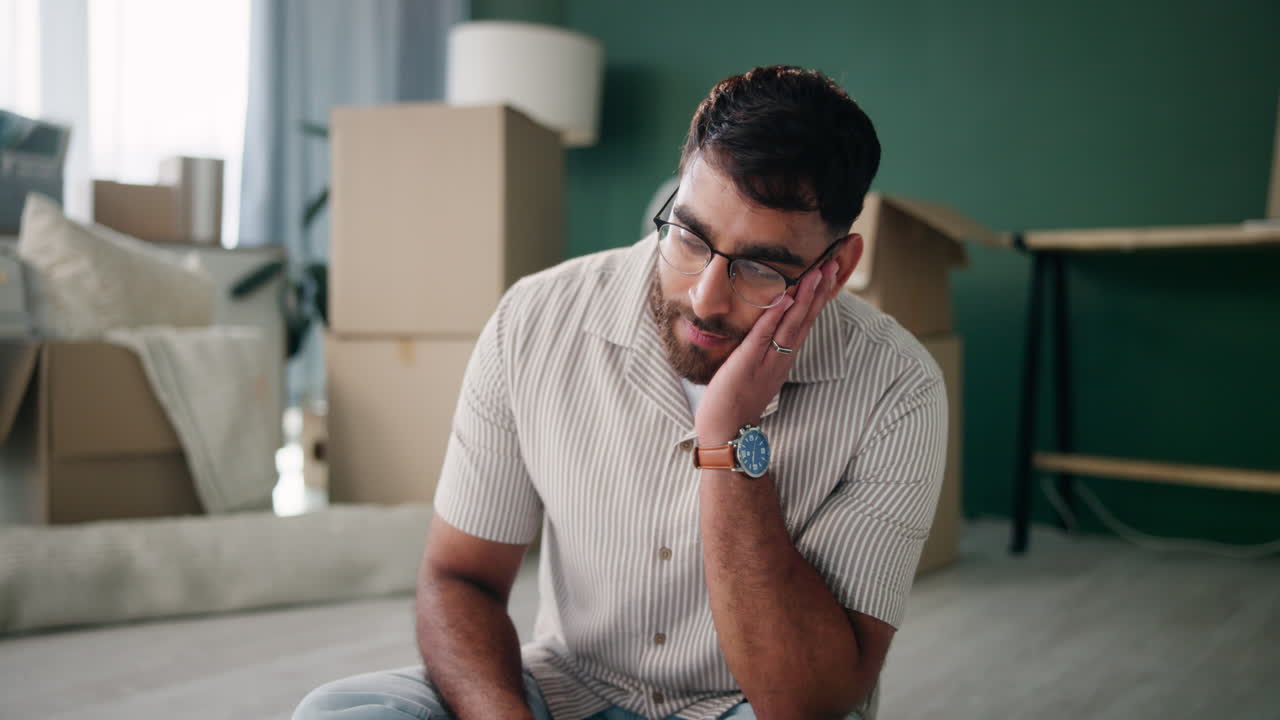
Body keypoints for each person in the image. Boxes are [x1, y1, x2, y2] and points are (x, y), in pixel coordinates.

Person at [295, 65, 947, 720]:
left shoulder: (898, 388)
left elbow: (807, 702)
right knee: (338, 711)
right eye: (689, 236)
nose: (705, 296)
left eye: (759, 267)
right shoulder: (536, 318)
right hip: (562, 689)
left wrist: (725, 442)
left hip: (742, 707)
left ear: (833, 271)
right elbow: (458, 576)